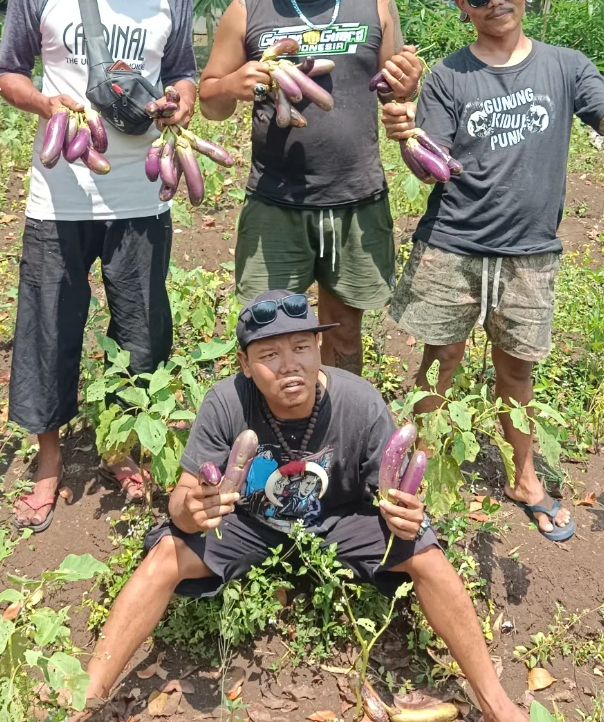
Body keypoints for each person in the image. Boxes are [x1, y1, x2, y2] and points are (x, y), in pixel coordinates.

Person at [76, 289, 528, 722]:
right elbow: (182, 498)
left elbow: (391, 495)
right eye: (269, 355)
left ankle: (495, 703)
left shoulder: (359, 402)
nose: (289, 366)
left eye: (300, 347)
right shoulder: (225, 402)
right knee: (164, 557)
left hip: (340, 520)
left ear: (318, 346)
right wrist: (189, 510)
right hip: (248, 523)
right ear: (245, 364)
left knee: (426, 554)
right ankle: (84, 700)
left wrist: (408, 515)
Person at [382, 0, 604, 542]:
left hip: (530, 252)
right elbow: (428, 167)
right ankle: (411, 478)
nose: (496, 2)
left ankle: (524, 479)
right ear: (463, 5)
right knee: (441, 361)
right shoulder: (447, 77)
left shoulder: (567, 67)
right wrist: (405, 132)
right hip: (454, 244)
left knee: (517, 372)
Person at [0, 0, 197, 525]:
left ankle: (122, 445)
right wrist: (47, 103)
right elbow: (8, 73)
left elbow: (184, 71)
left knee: (140, 327)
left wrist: (185, 98)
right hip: (60, 193)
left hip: (141, 191)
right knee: (49, 325)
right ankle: (48, 462)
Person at [199, 0, 423, 375]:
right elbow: (210, 101)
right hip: (276, 202)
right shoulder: (247, 7)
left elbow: (394, 92)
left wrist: (407, 85)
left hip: (356, 198)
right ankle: (276, 435)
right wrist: (236, 82)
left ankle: (339, 426)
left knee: (344, 329)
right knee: (273, 332)